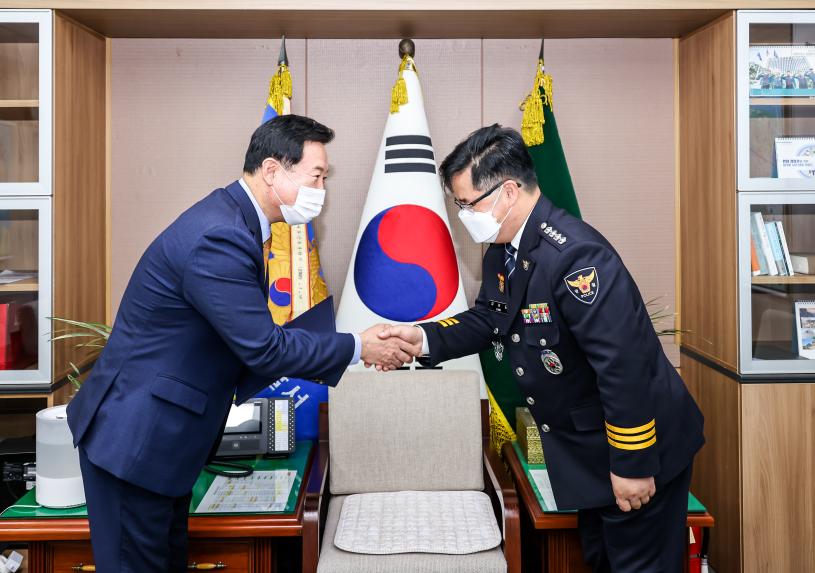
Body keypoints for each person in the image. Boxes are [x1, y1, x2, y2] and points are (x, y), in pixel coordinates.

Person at [66, 115, 415, 572]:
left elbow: (240, 338)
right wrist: (357, 346)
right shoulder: (221, 235)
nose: (322, 189)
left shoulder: (235, 222)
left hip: (160, 444)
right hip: (136, 442)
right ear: (272, 170)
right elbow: (263, 348)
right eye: (316, 176)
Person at [381, 124, 705, 573]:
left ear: (508, 192)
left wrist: (632, 465)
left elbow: (622, 367)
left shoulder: (576, 258)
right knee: (603, 560)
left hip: (638, 448)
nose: (463, 216)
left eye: (468, 204)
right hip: (590, 450)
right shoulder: (504, 247)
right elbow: (490, 318)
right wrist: (422, 339)